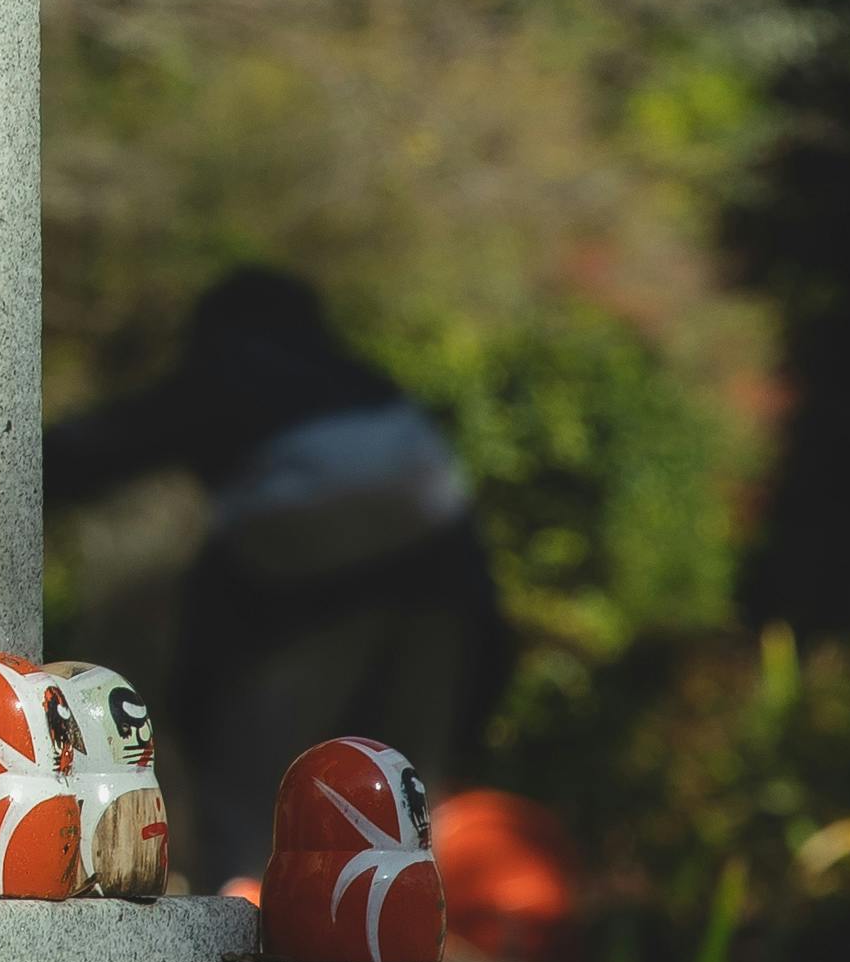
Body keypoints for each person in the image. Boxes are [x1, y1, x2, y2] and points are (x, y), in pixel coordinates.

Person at [43, 269, 508, 890]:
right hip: (444, 583)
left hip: (306, 586)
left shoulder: (229, 374)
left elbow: (93, 449)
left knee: (253, 784)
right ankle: (399, 932)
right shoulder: (367, 385)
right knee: (402, 791)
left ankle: (242, 911)